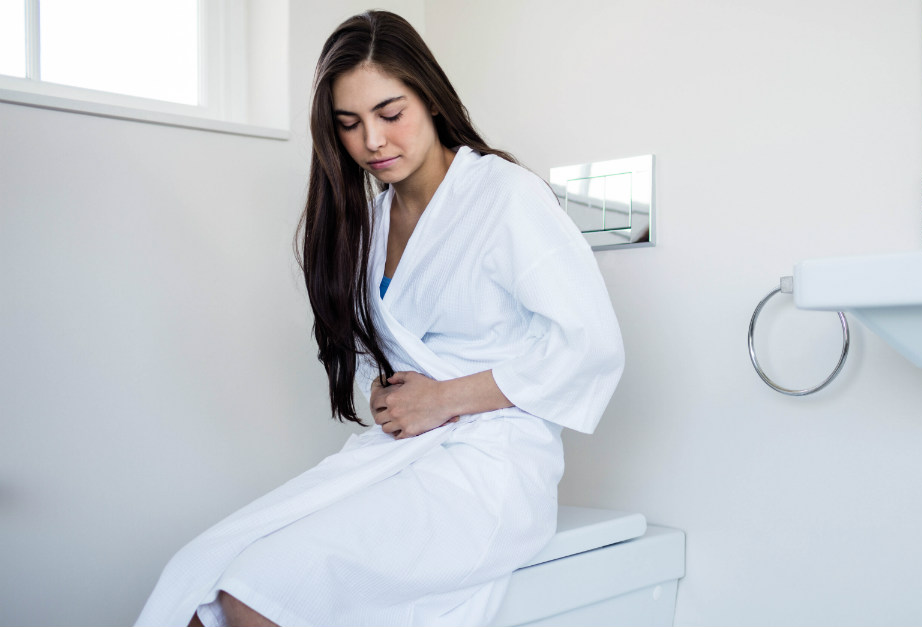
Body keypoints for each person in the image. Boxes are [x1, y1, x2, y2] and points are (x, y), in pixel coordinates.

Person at [135, 10, 624, 626]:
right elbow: (386, 360)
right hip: (400, 454)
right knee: (201, 576)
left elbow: (589, 345)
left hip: (491, 469)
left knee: (256, 592)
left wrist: (442, 398)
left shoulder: (504, 196)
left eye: (390, 114)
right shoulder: (369, 224)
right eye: (349, 124)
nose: (372, 141)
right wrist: (391, 398)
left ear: (431, 98)